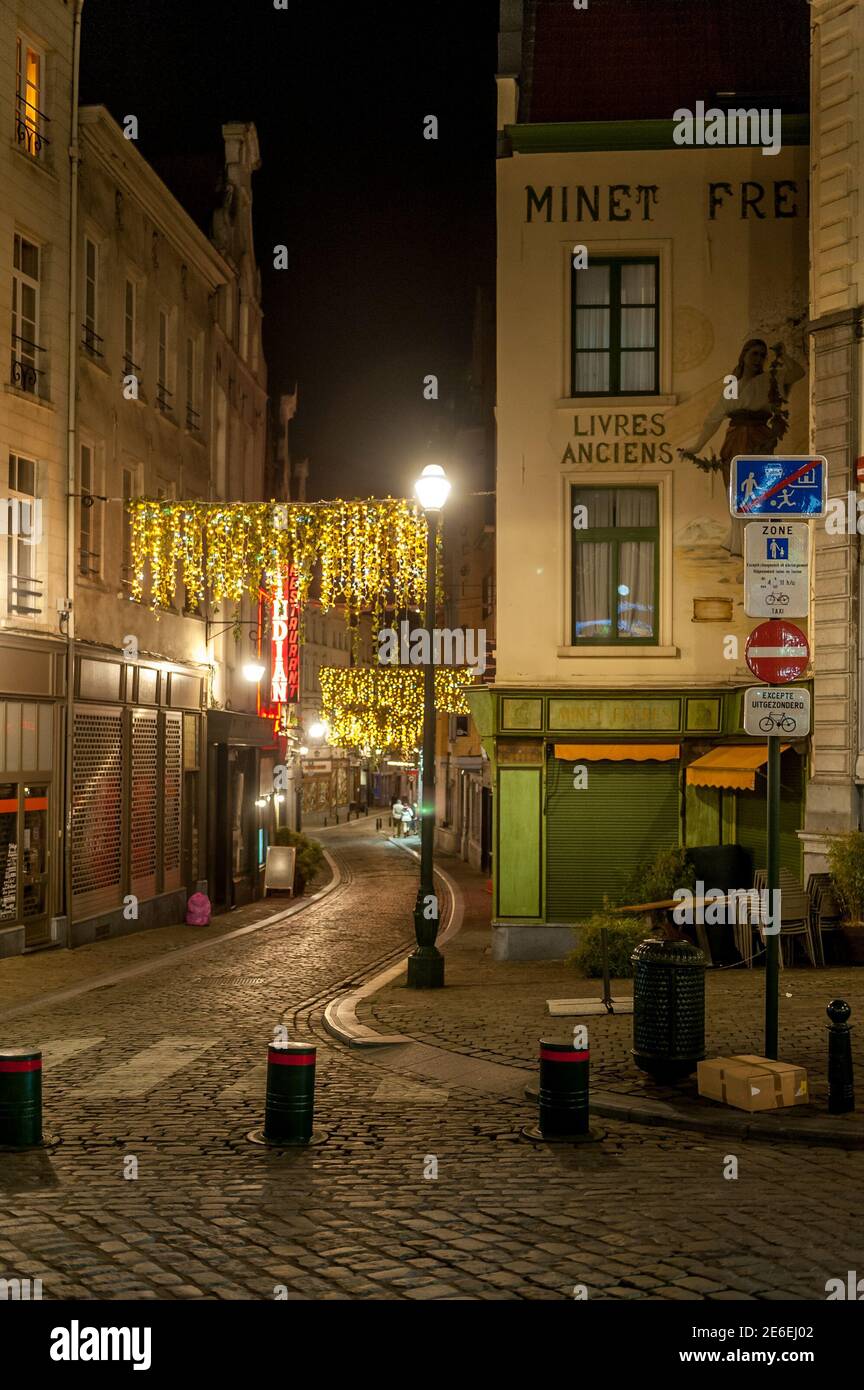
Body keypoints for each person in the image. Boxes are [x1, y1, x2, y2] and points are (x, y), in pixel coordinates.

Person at [679, 338, 805, 555]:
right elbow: (714, 418)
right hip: (735, 439)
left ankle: (762, 545)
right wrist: (697, 446)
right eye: (754, 354)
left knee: (760, 491)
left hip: (758, 438)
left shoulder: (770, 380)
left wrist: (782, 355)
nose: (758, 359)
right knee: (736, 492)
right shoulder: (733, 387)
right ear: (744, 356)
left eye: (762, 355)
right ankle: (741, 546)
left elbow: (798, 373)